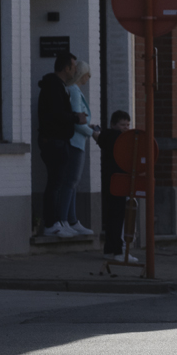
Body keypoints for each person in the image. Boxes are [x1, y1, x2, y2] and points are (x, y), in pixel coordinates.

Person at [37, 53, 88, 238]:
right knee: (55, 183)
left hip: (59, 141)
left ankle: (59, 221)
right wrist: (76, 117)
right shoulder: (54, 87)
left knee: (58, 182)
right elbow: (57, 114)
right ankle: (51, 224)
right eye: (73, 66)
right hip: (54, 142)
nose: (75, 69)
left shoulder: (59, 87)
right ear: (66, 68)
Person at [62, 62, 98, 237]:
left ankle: (71, 219)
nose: (89, 78)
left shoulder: (74, 90)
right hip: (75, 142)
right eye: (87, 74)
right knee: (71, 182)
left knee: (71, 183)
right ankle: (67, 220)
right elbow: (77, 120)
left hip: (76, 141)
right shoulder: (75, 91)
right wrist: (93, 133)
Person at [96, 110, 132, 257]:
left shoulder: (105, 137)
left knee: (111, 216)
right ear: (113, 125)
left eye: (128, 125)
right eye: (123, 125)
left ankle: (109, 248)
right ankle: (118, 250)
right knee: (118, 216)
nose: (126, 128)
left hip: (109, 180)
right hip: (120, 179)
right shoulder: (120, 138)